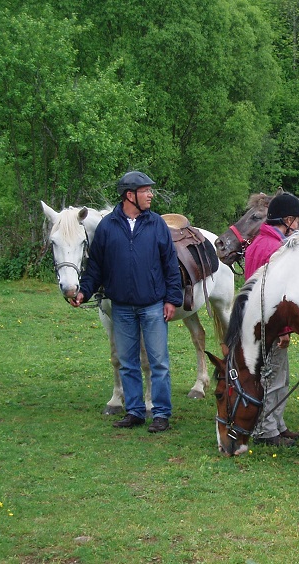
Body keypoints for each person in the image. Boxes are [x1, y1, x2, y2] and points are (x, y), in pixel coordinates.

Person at [70, 171, 182, 433]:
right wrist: (84, 292)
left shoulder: (157, 225)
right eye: (146, 191)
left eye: (150, 191)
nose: (151, 195)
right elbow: (95, 266)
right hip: (121, 308)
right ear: (130, 195)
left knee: (159, 362)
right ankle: (134, 411)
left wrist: (172, 299)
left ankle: (161, 413)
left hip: (153, 305)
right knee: (128, 362)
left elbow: (170, 266)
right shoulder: (108, 226)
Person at [244, 192, 299, 447]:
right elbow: (276, 294)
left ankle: (278, 424)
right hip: (271, 324)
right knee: (273, 377)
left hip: (259, 323)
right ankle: (267, 430)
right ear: (288, 220)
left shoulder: (258, 242)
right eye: (297, 220)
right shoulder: (277, 248)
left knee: (278, 376)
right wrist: (284, 329)